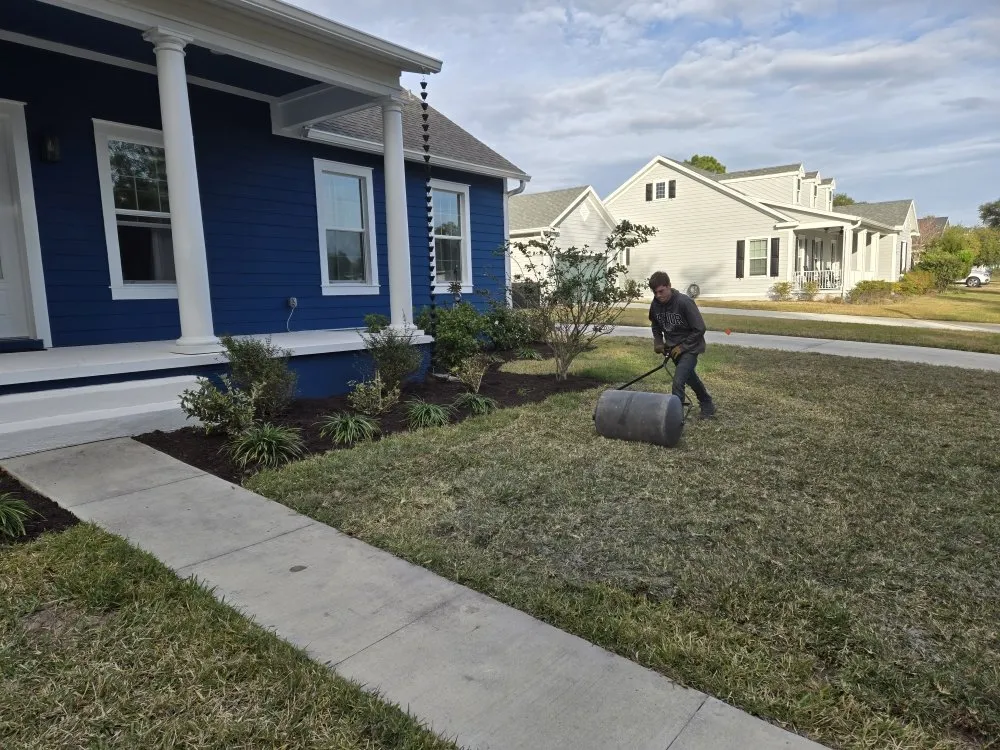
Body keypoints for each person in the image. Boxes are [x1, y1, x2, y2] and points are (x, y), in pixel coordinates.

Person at [647, 271, 716, 418]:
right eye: (655, 292)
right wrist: (658, 341)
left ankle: (674, 419)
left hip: (690, 348)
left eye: (661, 291)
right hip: (673, 350)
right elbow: (655, 325)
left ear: (669, 286)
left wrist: (683, 347)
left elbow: (700, 328)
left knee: (678, 382)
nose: (658, 295)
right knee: (689, 377)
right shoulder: (655, 304)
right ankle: (706, 401)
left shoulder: (684, 302)